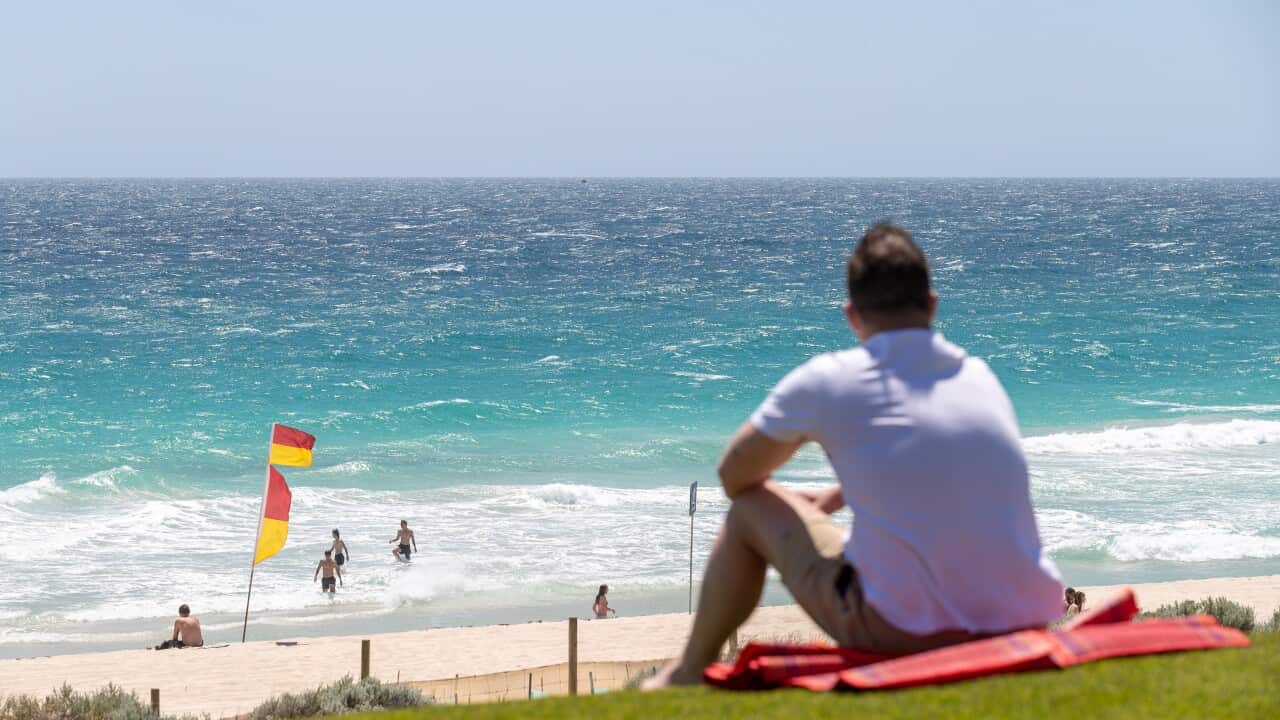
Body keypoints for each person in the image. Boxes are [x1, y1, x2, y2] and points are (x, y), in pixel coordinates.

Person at [645, 223, 1064, 688]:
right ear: (931, 305)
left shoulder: (831, 379)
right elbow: (926, 459)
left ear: (852, 315)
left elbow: (734, 475)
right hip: (1022, 626)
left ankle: (687, 672)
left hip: (903, 633)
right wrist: (836, 497)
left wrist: (797, 503)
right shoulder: (978, 376)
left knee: (748, 508)